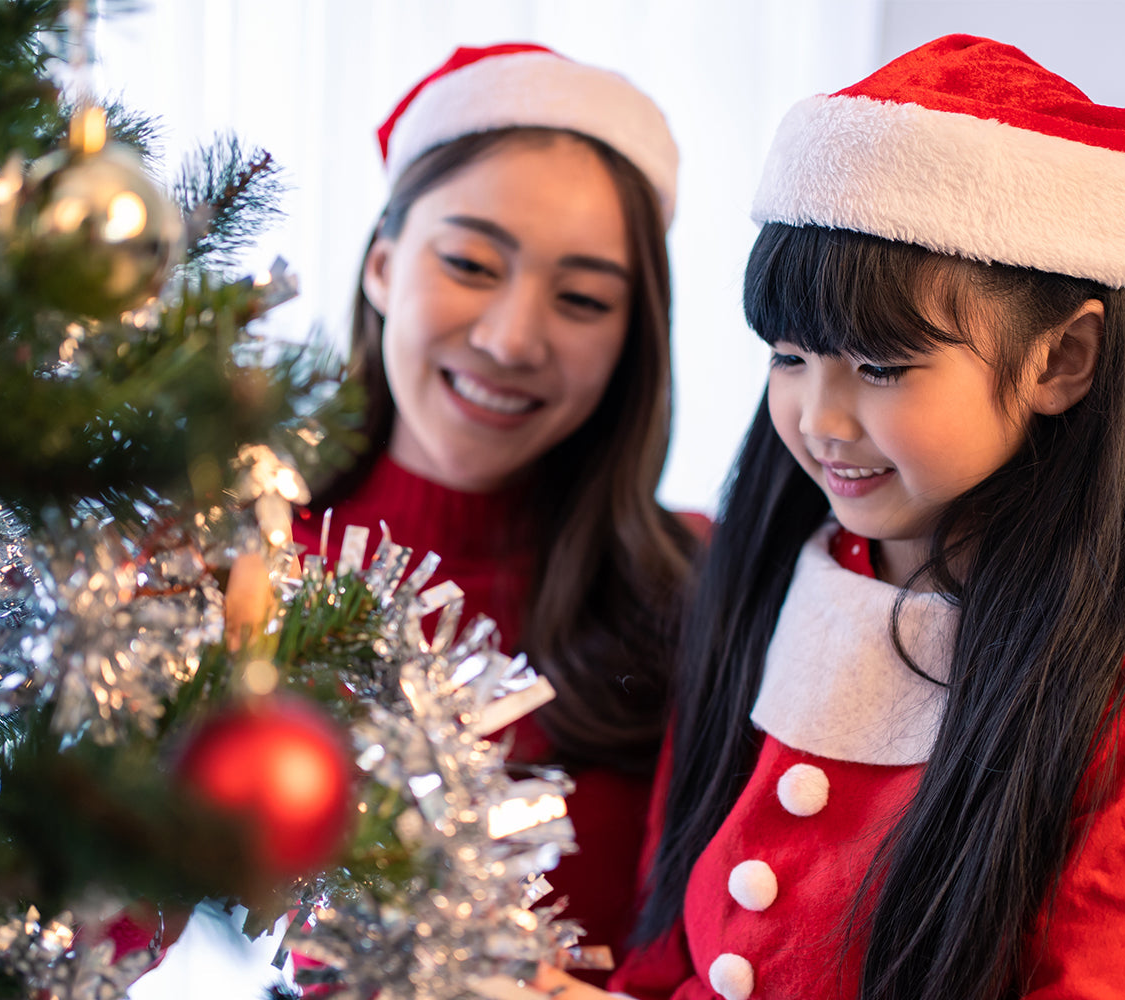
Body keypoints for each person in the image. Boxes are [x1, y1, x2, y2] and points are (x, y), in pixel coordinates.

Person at [537, 33, 1125, 1000]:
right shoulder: (767, 572)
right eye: (790, 356)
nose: (820, 419)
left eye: (880, 367)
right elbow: (670, 957)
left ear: (1063, 362)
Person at [292, 43, 703, 977]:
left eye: (583, 298)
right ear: (386, 266)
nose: (512, 339)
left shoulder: (701, 594)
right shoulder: (232, 570)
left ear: (632, 338)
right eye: (473, 262)